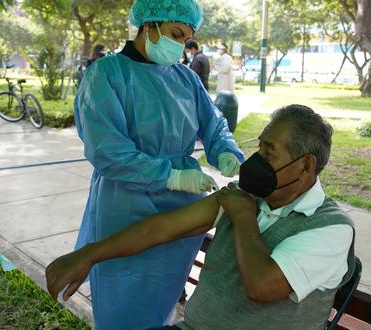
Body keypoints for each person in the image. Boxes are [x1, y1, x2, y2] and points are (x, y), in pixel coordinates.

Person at [47, 104, 356, 330]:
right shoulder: (245, 198)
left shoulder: (330, 229)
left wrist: (244, 217)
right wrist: (89, 254)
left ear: (305, 166)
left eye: (269, 152)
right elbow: (161, 229)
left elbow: (261, 286)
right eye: (258, 147)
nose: (255, 160)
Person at [71, 0, 244, 329]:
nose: (180, 46)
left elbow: (214, 124)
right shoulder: (106, 74)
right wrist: (172, 176)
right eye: (175, 34)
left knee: (162, 295)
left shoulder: (185, 78)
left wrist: (226, 151)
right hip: (125, 204)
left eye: (185, 39)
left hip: (180, 211)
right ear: (148, 25)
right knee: (122, 302)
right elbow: (108, 152)